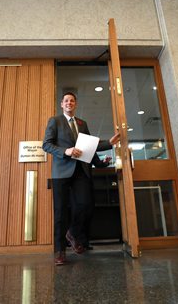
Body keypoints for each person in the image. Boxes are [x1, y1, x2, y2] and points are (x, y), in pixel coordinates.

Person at [42, 92, 119, 265]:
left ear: (75, 104)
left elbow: (90, 147)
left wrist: (109, 144)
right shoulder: (55, 121)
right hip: (61, 172)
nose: (69, 103)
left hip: (81, 171)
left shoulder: (82, 123)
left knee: (85, 205)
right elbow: (46, 145)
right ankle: (60, 251)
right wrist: (65, 151)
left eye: (72, 101)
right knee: (60, 211)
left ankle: (72, 232)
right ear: (62, 104)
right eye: (66, 101)